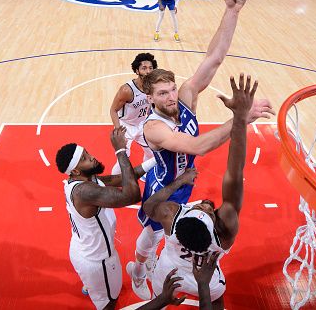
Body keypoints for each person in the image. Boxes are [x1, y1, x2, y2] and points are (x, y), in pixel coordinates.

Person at [126, 0, 274, 301]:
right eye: (162, 95)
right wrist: (240, 119)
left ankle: (145, 264)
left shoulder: (186, 97)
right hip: (164, 185)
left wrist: (232, 12)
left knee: (169, 235)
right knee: (151, 235)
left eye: (171, 90)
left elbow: (214, 58)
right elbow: (198, 147)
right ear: (150, 99)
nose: (170, 98)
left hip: (185, 182)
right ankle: (138, 270)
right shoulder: (154, 127)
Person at [143, 73, 257, 309]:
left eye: (200, 207)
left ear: (182, 215)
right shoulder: (224, 231)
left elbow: (148, 207)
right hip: (206, 281)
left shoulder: (171, 216)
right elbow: (235, 172)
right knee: (217, 300)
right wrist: (239, 119)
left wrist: (176, 183)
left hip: (168, 272)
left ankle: (160, 300)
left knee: (158, 299)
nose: (204, 202)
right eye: (208, 208)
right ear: (215, 222)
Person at [56, 127, 156, 310]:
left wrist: (155, 160)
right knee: (110, 302)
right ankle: (99, 291)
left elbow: (122, 178)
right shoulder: (85, 191)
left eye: (87, 153)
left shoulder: (85, 180)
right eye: (85, 159)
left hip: (81, 248)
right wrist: (120, 151)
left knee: (97, 287)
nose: (91, 157)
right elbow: (132, 194)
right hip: (98, 260)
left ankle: (92, 286)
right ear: (76, 171)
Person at [109, 53, 157, 177]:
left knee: (153, 152)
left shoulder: (152, 87)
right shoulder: (127, 90)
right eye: (144, 68)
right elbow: (113, 110)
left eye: (151, 68)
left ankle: (145, 174)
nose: (148, 71)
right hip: (125, 126)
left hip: (141, 124)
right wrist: (119, 131)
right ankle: (112, 183)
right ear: (137, 70)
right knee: (123, 159)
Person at [137, 254, 218, 309]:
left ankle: (137, 271)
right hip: (169, 265)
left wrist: (162, 300)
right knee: (217, 297)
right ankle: (137, 271)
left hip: (167, 266)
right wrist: (203, 284)